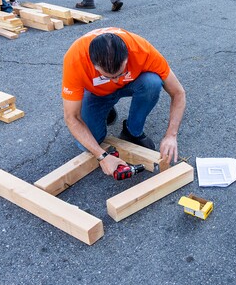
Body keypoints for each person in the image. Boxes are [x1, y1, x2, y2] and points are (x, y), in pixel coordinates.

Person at [62, 27, 187, 175]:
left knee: (152, 82)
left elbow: (178, 93)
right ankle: (104, 107)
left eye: (120, 73)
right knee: (87, 145)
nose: (115, 80)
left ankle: (132, 131)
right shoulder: (75, 60)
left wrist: (171, 135)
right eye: (107, 77)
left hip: (132, 83)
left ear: (128, 57)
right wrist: (102, 156)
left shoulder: (141, 50)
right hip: (96, 93)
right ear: (92, 64)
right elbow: (72, 117)